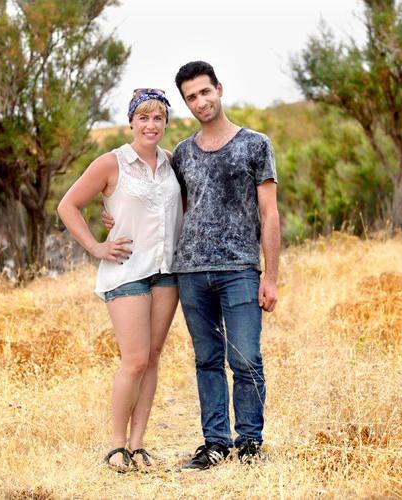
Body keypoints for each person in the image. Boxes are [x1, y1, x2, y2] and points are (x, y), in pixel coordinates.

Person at [104, 61, 280, 471]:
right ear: (186, 103)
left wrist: (270, 276)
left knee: (246, 359)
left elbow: (270, 214)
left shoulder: (255, 145)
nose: (200, 101)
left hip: (240, 269)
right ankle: (215, 444)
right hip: (190, 273)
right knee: (207, 360)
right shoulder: (182, 153)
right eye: (191, 97)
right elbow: (157, 197)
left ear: (219, 89)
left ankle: (250, 444)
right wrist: (109, 210)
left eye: (205, 92)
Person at [57, 88, 182, 471]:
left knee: (153, 358)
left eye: (158, 118)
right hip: (127, 271)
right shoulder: (111, 163)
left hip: (167, 272)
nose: (151, 125)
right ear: (131, 122)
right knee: (134, 360)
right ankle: (116, 446)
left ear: (166, 123)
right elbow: (68, 205)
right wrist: (96, 246)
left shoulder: (172, 162)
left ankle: (138, 444)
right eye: (143, 118)